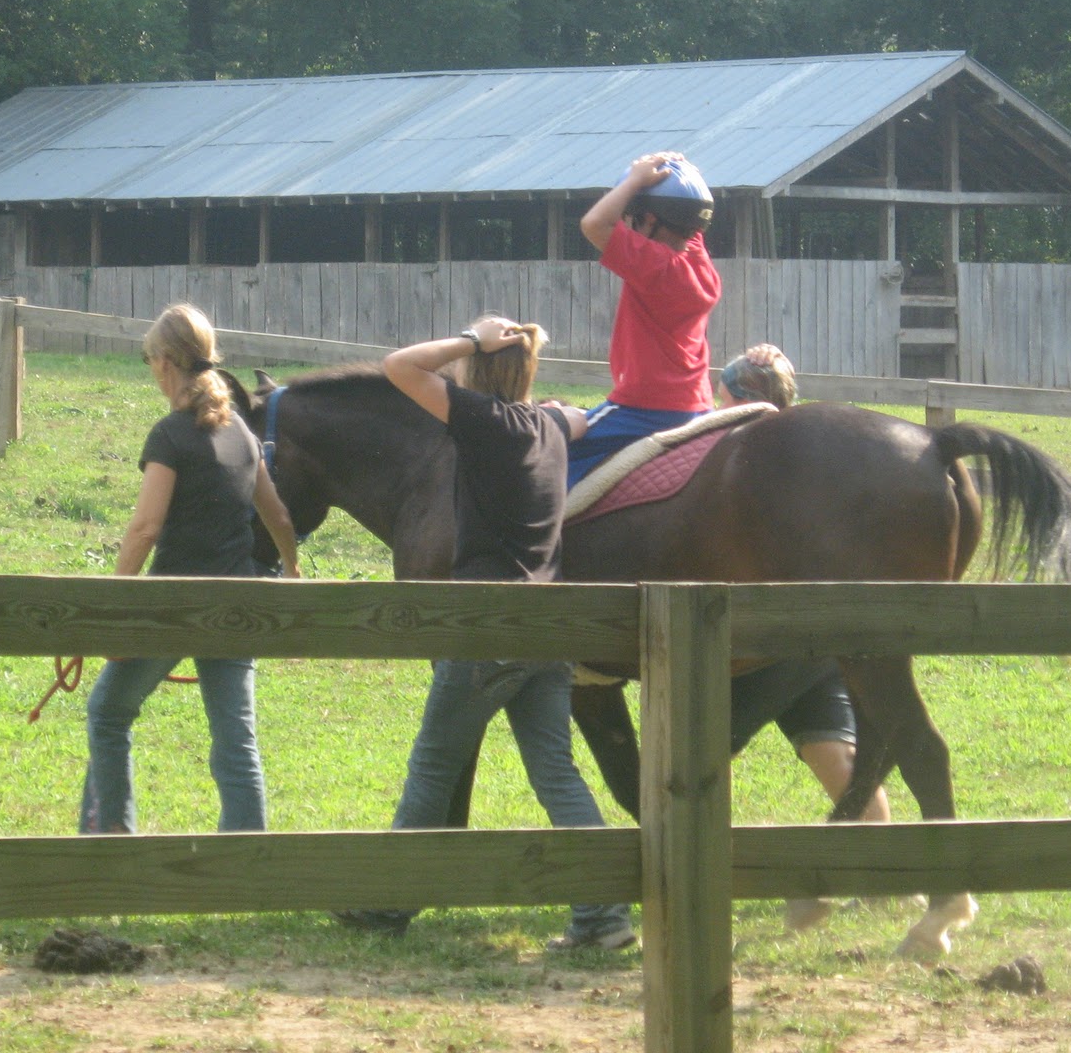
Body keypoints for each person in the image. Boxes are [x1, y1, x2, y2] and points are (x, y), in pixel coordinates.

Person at [334, 316, 637, 952]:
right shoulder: (552, 429)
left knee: (433, 764)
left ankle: (386, 904)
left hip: (488, 627)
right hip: (548, 628)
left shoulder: (482, 421)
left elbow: (399, 365)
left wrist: (473, 339)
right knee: (556, 770)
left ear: (481, 370)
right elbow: (586, 418)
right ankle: (603, 916)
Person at [79, 303, 300, 836]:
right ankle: (246, 857)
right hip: (236, 602)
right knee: (235, 737)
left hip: (174, 603)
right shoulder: (242, 436)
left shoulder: (171, 436)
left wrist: (115, 603)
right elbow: (277, 515)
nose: (151, 369)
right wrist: (291, 570)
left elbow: (145, 529)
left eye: (150, 358)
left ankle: (109, 841)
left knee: (109, 712)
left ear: (166, 363)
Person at [713, 343, 892, 829]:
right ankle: (893, 880)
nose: (715, 407)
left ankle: (707, 866)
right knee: (841, 762)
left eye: (721, 397)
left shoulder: (735, 461)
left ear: (737, 400)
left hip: (759, 646)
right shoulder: (811, 459)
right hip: (821, 639)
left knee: (691, 753)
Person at [567, 150, 722, 487]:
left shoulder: (656, 267)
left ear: (650, 220)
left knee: (549, 451)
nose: (628, 226)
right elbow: (689, 220)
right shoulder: (699, 265)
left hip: (643, 408)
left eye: (633, 218)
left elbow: (593, 224)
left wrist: (637, 178)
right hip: (697, 405)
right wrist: (681, 173)